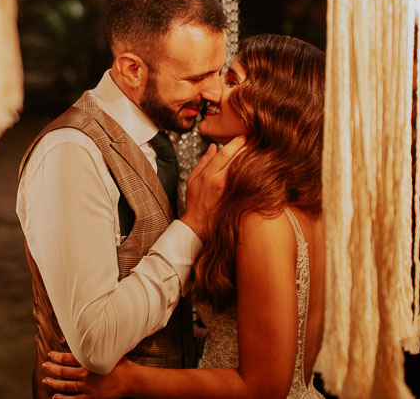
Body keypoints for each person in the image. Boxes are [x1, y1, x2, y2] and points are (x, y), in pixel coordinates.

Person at [42, 34, 327, 399]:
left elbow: (264, 388)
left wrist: (129, 380)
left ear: (274, 106)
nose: (211, 93)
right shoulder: (303, 202)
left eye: (231, 80)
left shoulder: (263, 219)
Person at [16, 0, 245, 399]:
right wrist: (193, 225)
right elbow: (96, 343)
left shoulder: (161, 143)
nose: (214, 92)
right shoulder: (71, 153)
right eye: (195, 78)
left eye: (217, 72)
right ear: (132, 69)